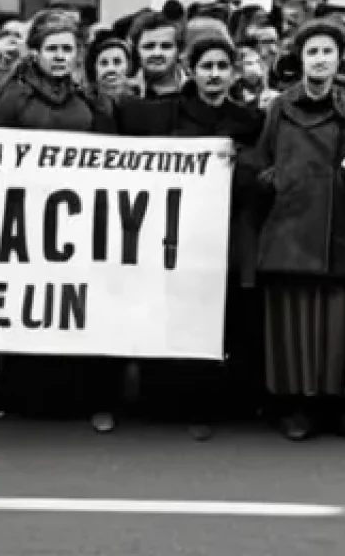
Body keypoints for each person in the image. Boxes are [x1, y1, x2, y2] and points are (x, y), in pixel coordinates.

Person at [117, 32, 264, 439]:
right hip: (177, 235)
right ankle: (167, 404)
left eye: (222, 67)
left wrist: (243, 162)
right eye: (206, 67)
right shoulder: (166, 114)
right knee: (178, 317)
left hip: (230, 236)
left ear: (234, 73)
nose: (214, 75)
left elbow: (264, 171)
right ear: (191, 71)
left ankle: (218, 405)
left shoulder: (252, 119)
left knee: (222, 320)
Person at [252, 19, 345, 441]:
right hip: (291, 225)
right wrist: (274, 181)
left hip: (343, 226)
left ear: (340, 59)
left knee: (342, 325)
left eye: (327, 52)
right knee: (295, 323)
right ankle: (298, 406)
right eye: (312, 52)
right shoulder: (280, 106)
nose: (320, 59)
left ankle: (344, 407)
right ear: (300, 58)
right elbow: (262, 158)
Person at [0, 9, 115, 428]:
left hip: (79, 221)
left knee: (78, 307)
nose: (60, 56)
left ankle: (82, 397)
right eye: (52, 49)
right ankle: (25, 397)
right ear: (36, 53)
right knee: (32, 306)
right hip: (27, 221)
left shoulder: (89, 98)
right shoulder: (12, 97)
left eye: (67, 49)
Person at [132, 12, 184, 98]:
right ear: (136, 50)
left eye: (166, 46)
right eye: (149, 46)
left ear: (178, 50)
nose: (157, 53)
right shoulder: (127, 93)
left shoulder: (197, 91)